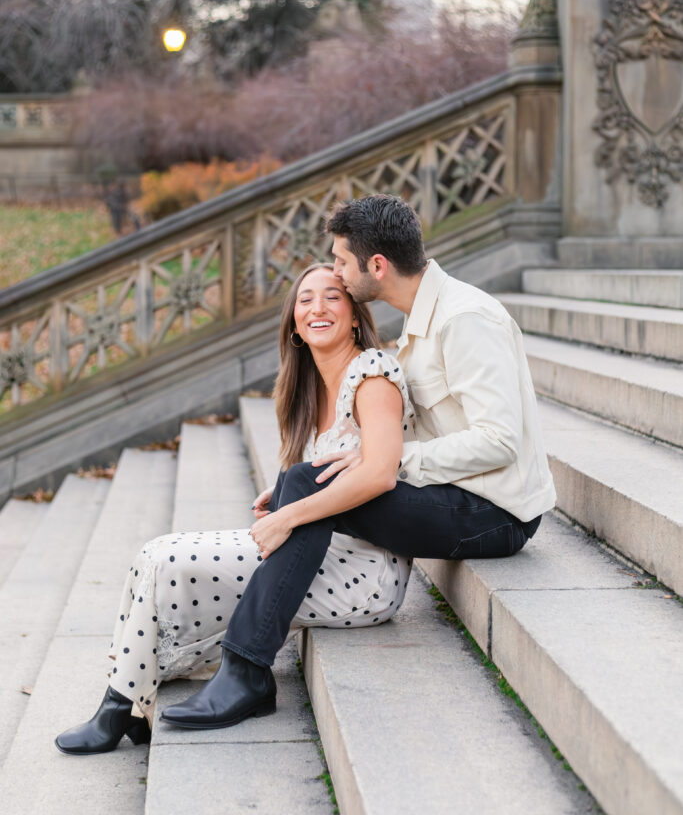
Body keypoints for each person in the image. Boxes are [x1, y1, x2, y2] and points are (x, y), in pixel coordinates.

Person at [152, 194, 555, 732]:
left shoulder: (464, 319)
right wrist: (321, 486)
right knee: (305, 482)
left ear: (377, 266)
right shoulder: (420, 325)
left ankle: (246, 668)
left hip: (496, 515)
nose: (337, 274)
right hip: (454, 495)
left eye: (341, 262)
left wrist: (376, 463)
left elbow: (499, 441)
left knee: (306, 486)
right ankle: (244, 667)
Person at [54, 262, 414, 755]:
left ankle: (122, 708)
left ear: (354, 314)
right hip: (313, 552)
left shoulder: (373, 373)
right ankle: (122, 704)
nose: (317, 308)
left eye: (332, 296)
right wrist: (285, 495)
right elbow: (324, 476)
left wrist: (290, 513)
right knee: (152, 553)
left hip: (361, 570)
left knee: (166, 563)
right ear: (293, 324)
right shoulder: (308, 391)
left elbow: (380, 472)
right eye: (305, 300)